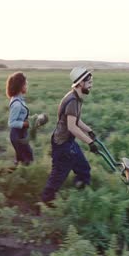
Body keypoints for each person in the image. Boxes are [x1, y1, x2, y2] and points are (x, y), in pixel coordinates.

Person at [41, 67, 99, 203]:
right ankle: (44, 204)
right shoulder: (73, 101)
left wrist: (89, 130)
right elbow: (72, 127)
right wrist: (89, 142)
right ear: (80, 84)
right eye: (89, 82)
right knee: (58, 176)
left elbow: (76, 120)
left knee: (83, 169)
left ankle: (79, 196)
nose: (91, 85)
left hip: (68, 142)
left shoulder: (76, 97)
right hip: (62, 144)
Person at [6, 72, 34, 165]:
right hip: (17, 135)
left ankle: (17, 174)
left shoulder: (19, 99)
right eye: (25, 84)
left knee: (24, 158)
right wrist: (25, 124)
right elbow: (11, 122)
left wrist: (31, 119)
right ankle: (16, 175)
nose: (27, 86)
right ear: (20, 86)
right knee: (26, 159)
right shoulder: (17, 104)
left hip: (21, 134)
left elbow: (21, 116)